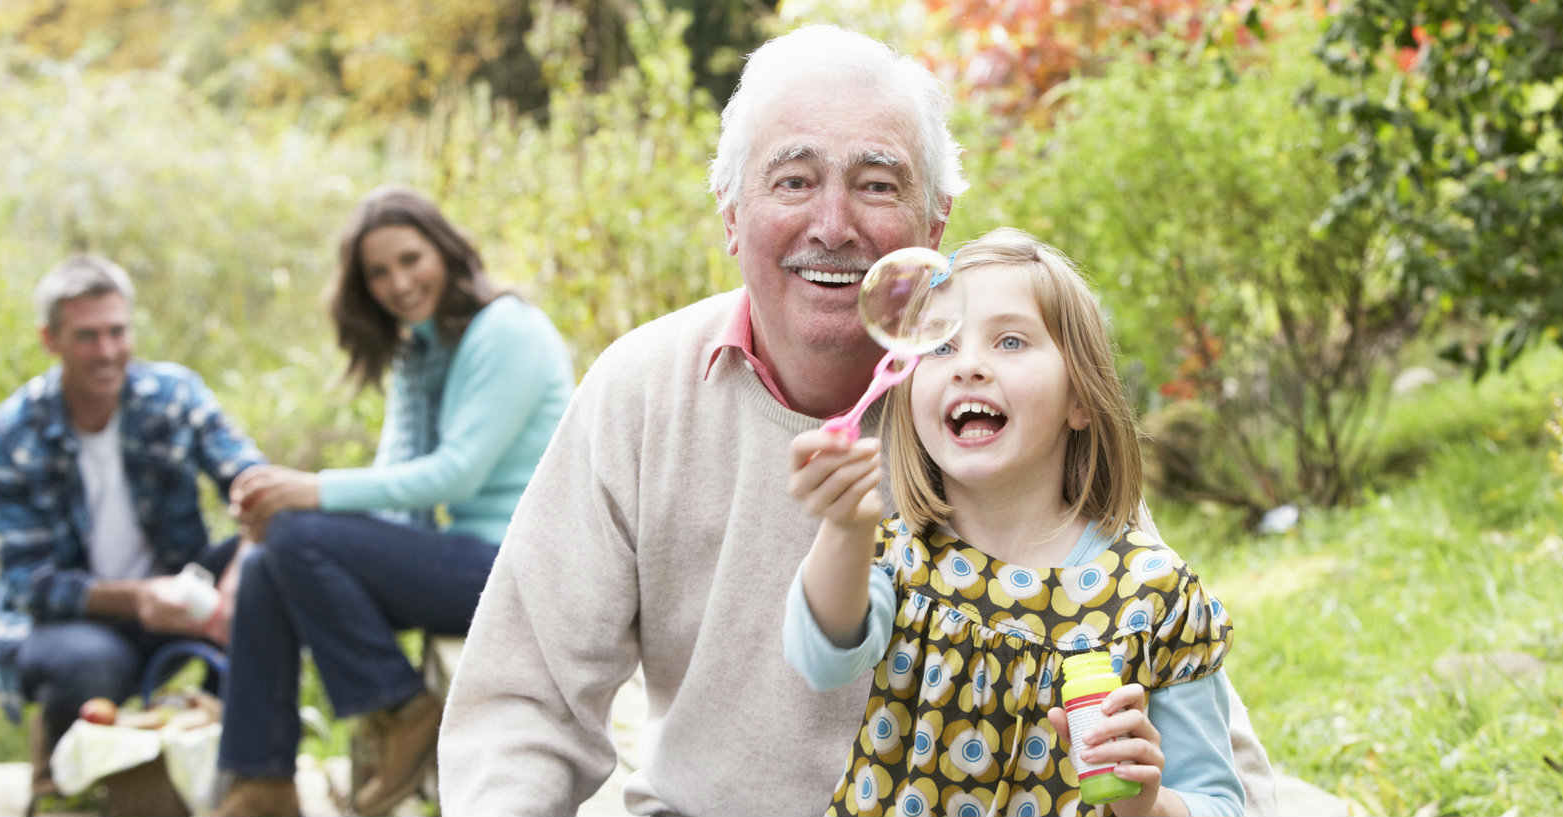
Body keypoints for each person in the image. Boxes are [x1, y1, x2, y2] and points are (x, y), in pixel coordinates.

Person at [440, 25, 1278, 816]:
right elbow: (526, 702)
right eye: (793, 180)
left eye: (877, 183)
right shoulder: (642, 388)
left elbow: (1172, 694)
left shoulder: (1006, 420)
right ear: (732, 216)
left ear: (934, 226)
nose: (833, 226)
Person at [783, 227, 1243, 816]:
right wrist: (845, 529)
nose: (968, 365)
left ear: (1080, 397)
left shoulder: (1155, 598)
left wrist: (1147, 806)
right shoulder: (900, 559)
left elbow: (1222, 804)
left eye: (1009, 341)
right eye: (941, 346)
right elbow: (821, 662)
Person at [212, 186, 575, 816]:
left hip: (527, 570)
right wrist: (280, 524)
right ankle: (262, 782)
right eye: (378, 272)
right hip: (468, 560)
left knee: (299, 531)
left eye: (411, 259)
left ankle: (401, 707)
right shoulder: (422, 348)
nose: (398, 283)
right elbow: (398, 477)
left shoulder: (507, 330)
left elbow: (455, 475)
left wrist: (309, 493)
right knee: (275, 558)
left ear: (446, 250)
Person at [0, 253, 263, 801]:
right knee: (90, 662)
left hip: (180, 591)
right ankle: (61, 780)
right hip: (69, 621)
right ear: (50, 340)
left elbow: (256, 485)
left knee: (272, 567)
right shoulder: (8, 435)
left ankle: (242, 771)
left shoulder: (174, 397)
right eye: (87, 336)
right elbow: (29, 583)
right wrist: (139, 599)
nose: (107, 352)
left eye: (117, 332)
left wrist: (239, 573)